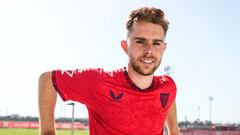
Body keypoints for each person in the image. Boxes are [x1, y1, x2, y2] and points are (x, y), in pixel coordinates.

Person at [39, 7, 180, 135]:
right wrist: (47, 131)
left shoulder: (167, 86)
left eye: (156, 43)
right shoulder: (100, 82)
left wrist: (174, 131)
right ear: (125, 46)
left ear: (164, 48)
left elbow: (168, 96)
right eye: (140, 41)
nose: (149, 50)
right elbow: (48, 80)